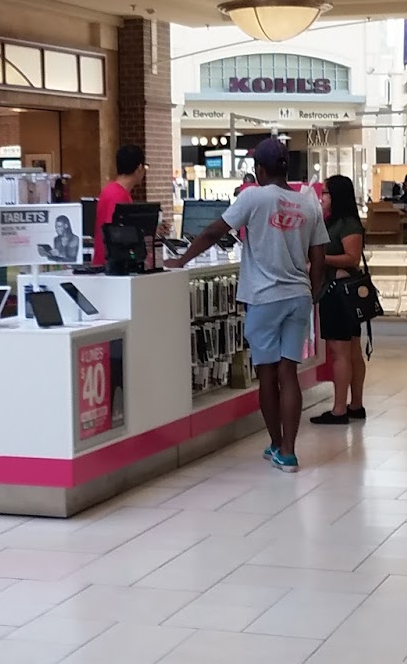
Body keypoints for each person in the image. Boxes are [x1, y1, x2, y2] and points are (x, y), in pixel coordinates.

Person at [171, 135, 326, 472]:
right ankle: (289, 451)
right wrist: (312, 295)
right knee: (289, 373)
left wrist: (181, 260)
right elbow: (319, 258)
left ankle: (276, 444)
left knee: (267, 376)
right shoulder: (309, 204)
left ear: (259, 170)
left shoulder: (253, 197)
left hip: (264, 298)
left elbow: (213, 232)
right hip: (298, 297)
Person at [310, 174, 367, 427]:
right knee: (352, 350)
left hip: (339, 292)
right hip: (342, 291)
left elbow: (352, 258)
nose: (321, 197)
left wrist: (320, 260)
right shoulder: (334, 222)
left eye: (325, 192)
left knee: (341, 352)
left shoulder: (346, 224)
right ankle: (355, 405)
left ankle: (339, 409)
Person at [93, 144, 145, 268]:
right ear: (139, 168)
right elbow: (116, 233)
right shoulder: (119, 196)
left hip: (104, 264)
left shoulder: (110, 190)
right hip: (110, 267)